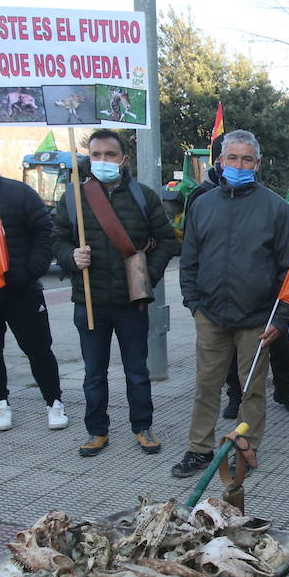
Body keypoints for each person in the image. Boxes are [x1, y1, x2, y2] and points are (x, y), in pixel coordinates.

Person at [172, 130, 289, 478]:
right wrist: (194, 304)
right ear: (220, 162)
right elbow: (190, 260)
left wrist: (283, 318)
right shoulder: (202, 204)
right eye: (233, 158)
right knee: (206, 387)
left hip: (257, 319)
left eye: (247, 159)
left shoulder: (276, 209)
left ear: (257, 164)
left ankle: (244, 448)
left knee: (252, 390)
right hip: (210, 315)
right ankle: (199, 449)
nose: (239, 165)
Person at [51, 129, 178, 456]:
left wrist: (147, 275)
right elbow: (56, 239)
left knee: (137, 370)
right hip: (89, 301)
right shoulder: (73, 197)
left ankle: (143, 426)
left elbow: (166, 241)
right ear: (88, 158)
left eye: (110, 155)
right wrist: (70, 257)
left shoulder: (144, 197)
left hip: (130, 303)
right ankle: (96, 430)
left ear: (123, 159)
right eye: (96, 155)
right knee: (94, 372)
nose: (103, 161)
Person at [0, 133, 67, 432]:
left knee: (38, 348)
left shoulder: (20, 193)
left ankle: (54, 402)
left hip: (22, 289)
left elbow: (44, 231)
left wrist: (31, 270)